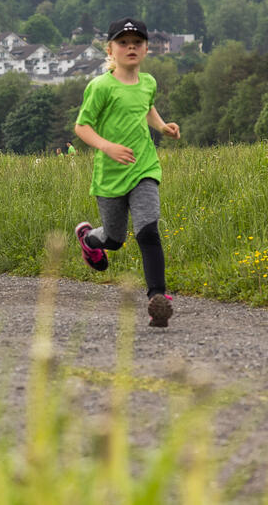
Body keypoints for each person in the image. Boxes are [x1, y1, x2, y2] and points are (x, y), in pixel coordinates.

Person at [73, 17, 181, 328]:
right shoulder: (101, 87)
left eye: (137, 43)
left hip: (144, 166)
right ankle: (88, 239)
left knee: (148, 230)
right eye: (123, 43)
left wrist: (161, 126)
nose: (130, 47)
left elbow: (146, 106)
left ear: (147, 49)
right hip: (110, 175)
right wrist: (107, 147)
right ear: (110, 49)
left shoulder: (148, 82)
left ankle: (158, 299)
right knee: (115, 238)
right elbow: (81, 127)